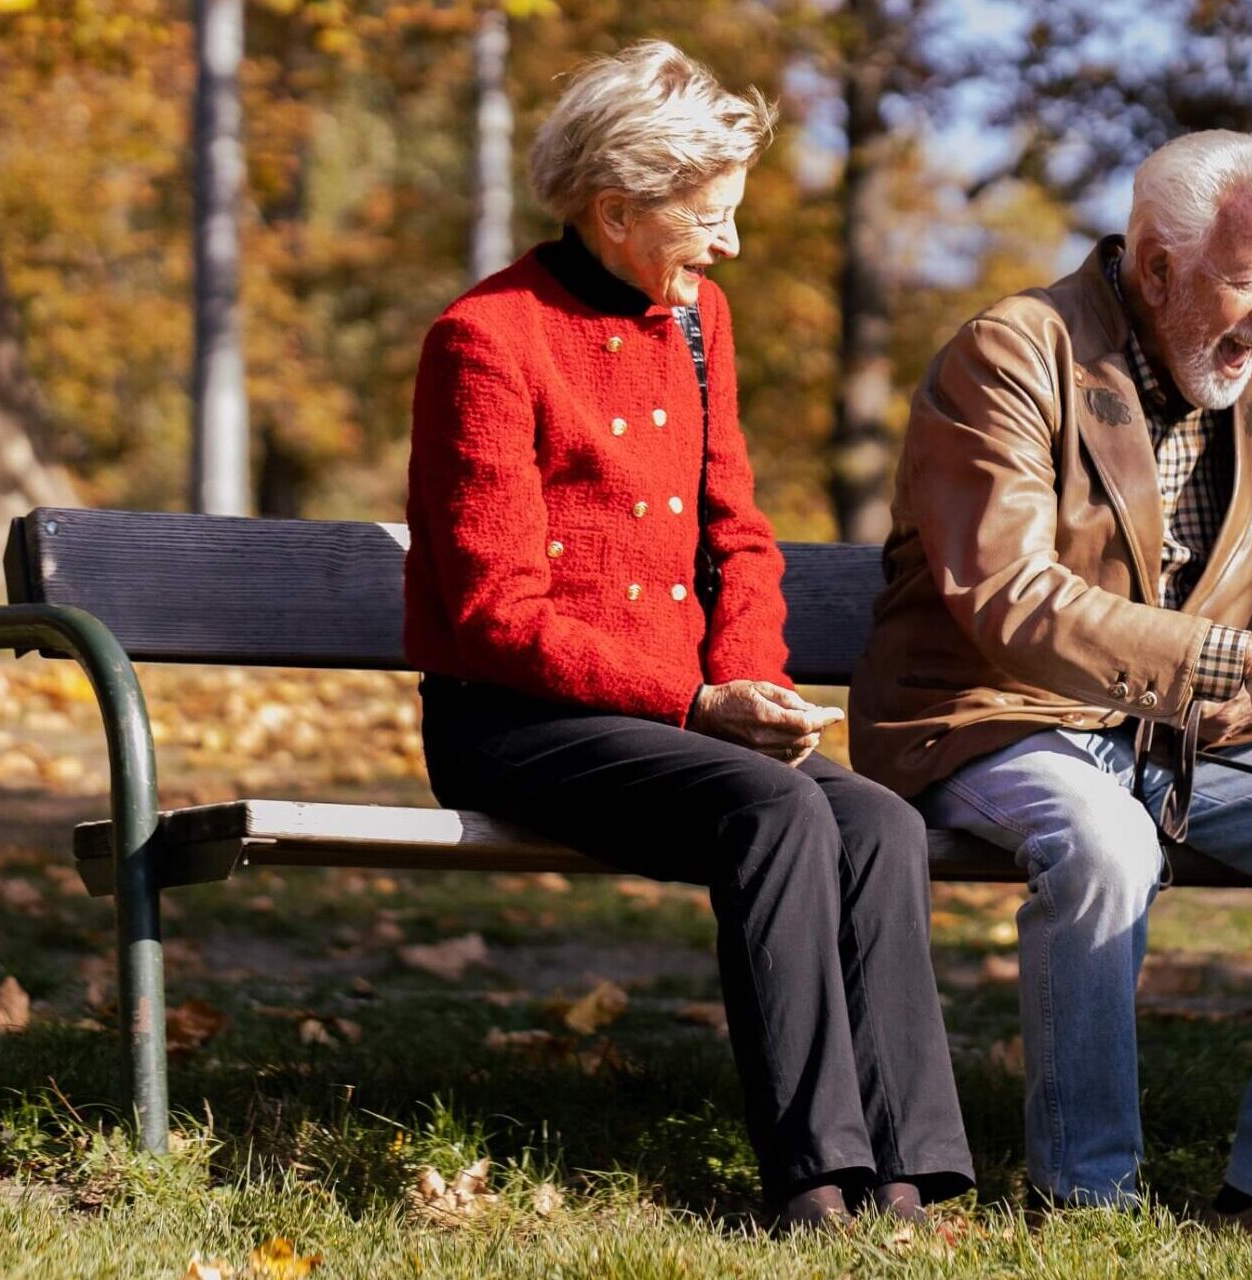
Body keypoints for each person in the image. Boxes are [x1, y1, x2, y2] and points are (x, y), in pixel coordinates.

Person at [402, 40, 970, 1231]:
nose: (730, 244)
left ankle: (909, 1175)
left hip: (683, 715)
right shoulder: (486, 340)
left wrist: (751, 679)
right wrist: (695, 703)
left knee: (870, 814)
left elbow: (737, 537)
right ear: (616, 211)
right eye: (708, 217)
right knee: (774, 810)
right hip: (519, 722)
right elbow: (491, 611)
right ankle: (815, 1178)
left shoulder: (700, 318)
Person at [850, 130, 1252, 1230]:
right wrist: (1221, 662)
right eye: (1251, 276)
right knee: (1107, 842)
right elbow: (1008, 597)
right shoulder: (1015, 353)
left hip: (1175, 744)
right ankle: (1088, 1194)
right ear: (1160, 265)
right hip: (988, 716)